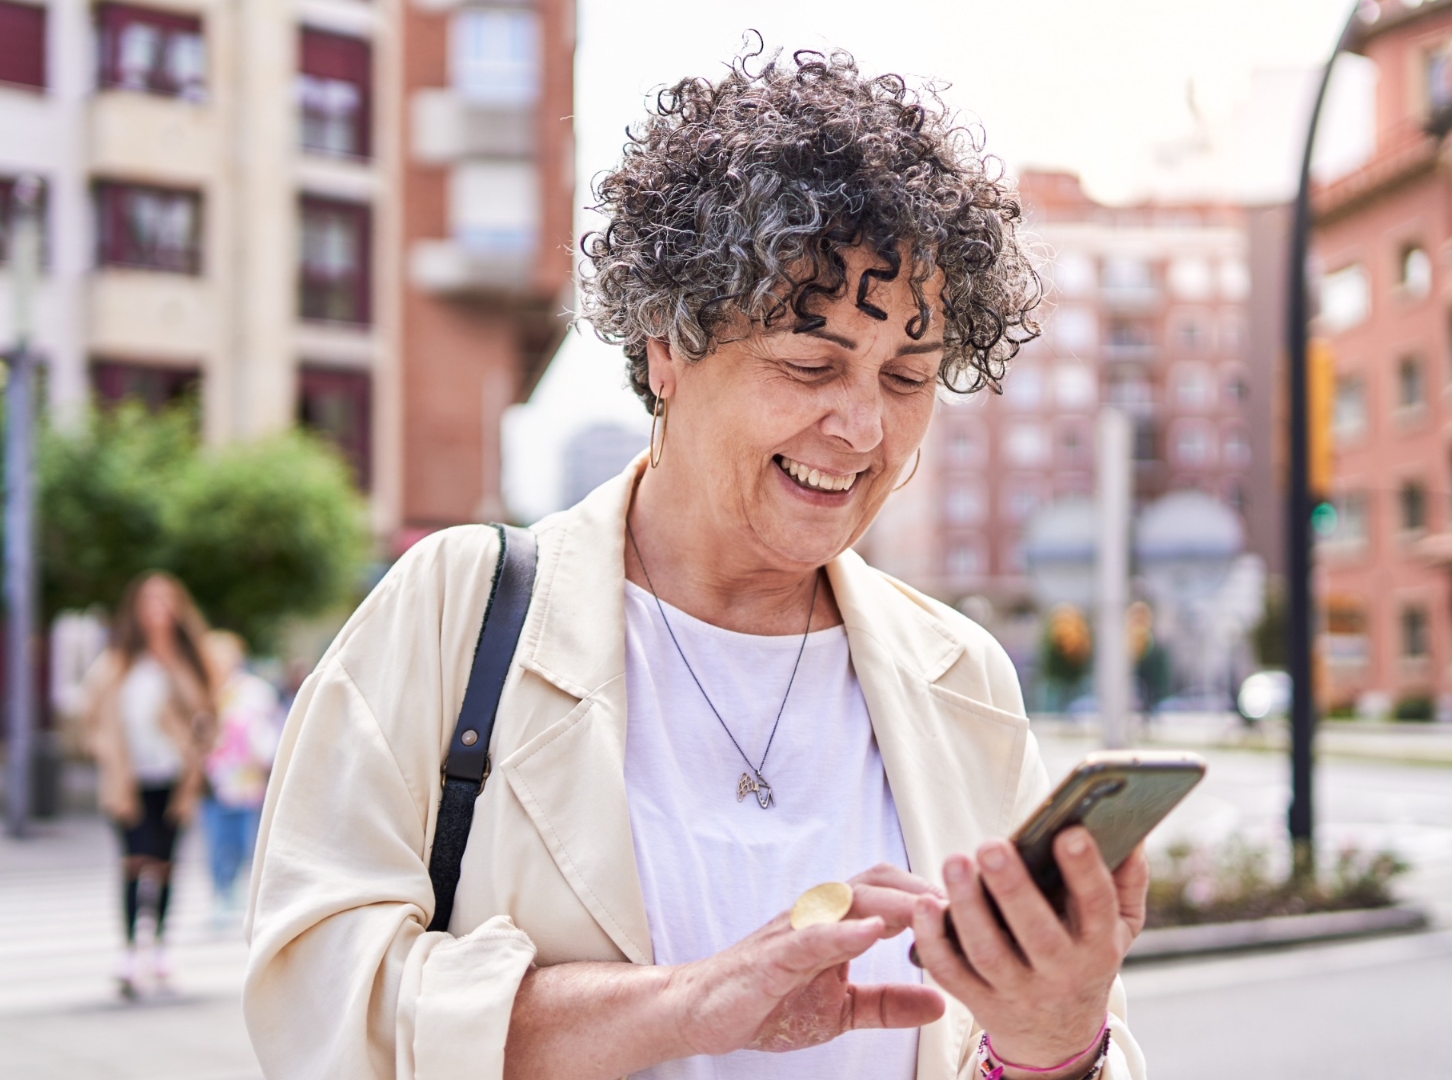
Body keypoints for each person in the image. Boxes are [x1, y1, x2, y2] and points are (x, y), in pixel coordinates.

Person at [247, 47, 1149, 1080]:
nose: (860, 429)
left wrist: (1051, 1048)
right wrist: (692, 1005)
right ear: (668, 349)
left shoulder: (963, 675)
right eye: (808, 365)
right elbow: (313, 1000)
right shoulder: (459, 607)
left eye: (907, 377)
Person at [82, 571, 217, 998]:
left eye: (164, 602)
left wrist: (193, 749)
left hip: (173, 779)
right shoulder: (117, 662)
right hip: (128, 779)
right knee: (133, 861)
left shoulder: (187, 661)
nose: (156, 610)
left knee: (163, 863)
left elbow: (209, 715)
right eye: (148, 602)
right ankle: (128, 952)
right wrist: (106, 752)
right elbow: (92, 720)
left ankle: (158, 947)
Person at [200, 630, 282, 925]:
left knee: (242, 840)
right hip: (210, 781)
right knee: (216, 839)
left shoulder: (254, 691)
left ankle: (235, 890)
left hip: (247, 779)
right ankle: (221, 892)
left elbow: (271, 727)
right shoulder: (200, 690)